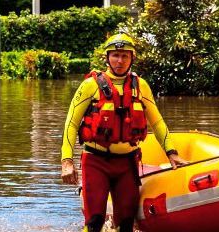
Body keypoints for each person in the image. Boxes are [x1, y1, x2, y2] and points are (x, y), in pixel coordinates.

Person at [60, 33, 188, 232]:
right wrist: (67, 161)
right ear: (107, 58)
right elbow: (71, 123)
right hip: (96, 162)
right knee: (94, 222)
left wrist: (172, 153)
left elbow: (158, 122)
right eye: (115, 55)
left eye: (125, 56)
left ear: (132, 59)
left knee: (126, 224)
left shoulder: (141, 86)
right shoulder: (90, 86)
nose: (120, 61)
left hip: (127, 164)